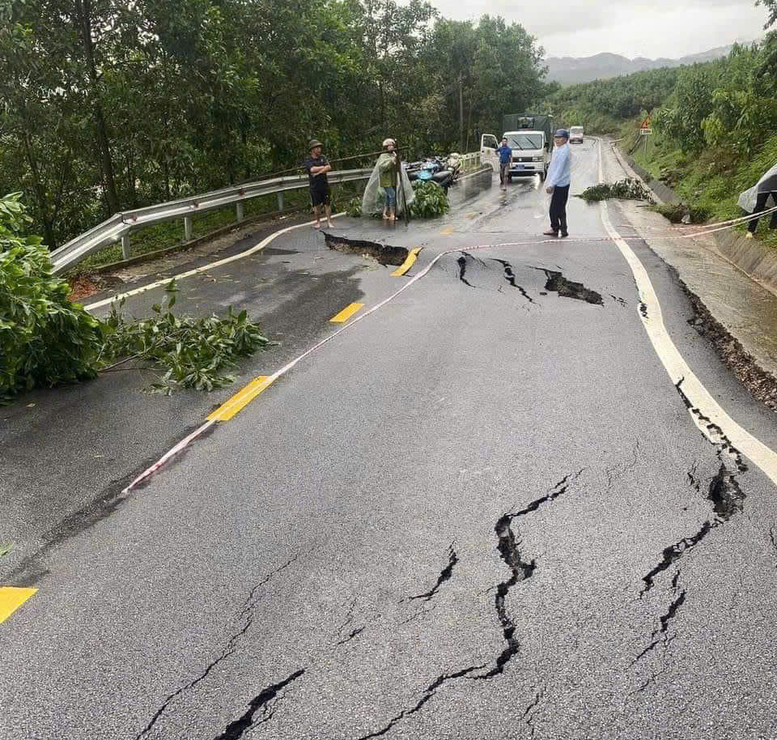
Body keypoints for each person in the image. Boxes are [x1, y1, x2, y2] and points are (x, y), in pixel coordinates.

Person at [543, 129, 572, 238]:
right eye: (556, 137)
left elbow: (558, 170)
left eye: (560, 138)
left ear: (565, 139)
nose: (557, 140)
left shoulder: (563, 151)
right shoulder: (561, 149)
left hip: (560, 183)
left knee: (554, 209)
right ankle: (563, 229)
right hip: (563, 182)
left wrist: (551, 184)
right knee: (560, 207)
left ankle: (555, 228)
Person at [304, 139, 333, 230]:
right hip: (314, 186)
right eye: (317, 148)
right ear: (312, 149)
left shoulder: (323, 157)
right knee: (316, 205)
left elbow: (329, 167)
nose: (319, 149)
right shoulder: (308, 159)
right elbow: (312, 169)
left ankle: (329, 222)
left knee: (327, 204)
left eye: (319, 147)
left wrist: (318, 173)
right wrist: (322, 168)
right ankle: (318, 222)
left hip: (324, 184)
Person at [378, 139, 398, 220]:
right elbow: (383, 167)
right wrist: (391, 161)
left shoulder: (393, 154)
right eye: (389, 145)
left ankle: (384, 213)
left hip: (392, 178)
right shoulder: (383, 156)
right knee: (392, 195)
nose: (391, 147)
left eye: (392, 145)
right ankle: (392, 214)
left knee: (388, 196)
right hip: (386, 179)